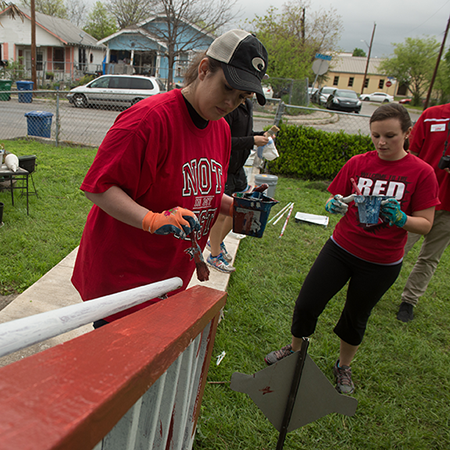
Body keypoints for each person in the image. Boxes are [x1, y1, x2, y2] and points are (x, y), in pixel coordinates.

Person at [71, 29, 268, 327]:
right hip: (123, 280)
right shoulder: (148, 120)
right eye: (228, 88)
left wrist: (239, 206)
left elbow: (201, 193)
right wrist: (152, 220)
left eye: (242, 97)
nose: (231, 103)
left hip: (169, 277)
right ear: (204, 70)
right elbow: (98, 188)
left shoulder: (221, 130)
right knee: (124, 369)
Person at [264, 103, 440, 394]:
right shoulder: (359, 163)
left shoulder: (421, 173)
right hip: (342, 248)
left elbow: (426, 224)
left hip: (382, 261)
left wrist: (401, 218)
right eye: (375, 136)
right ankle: (294, 351)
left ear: (407, 133)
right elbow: (337, 196)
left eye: (390, 136)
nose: (382, 142)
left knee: (355, 316)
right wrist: (331, 204)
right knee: (308, 302)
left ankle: (343, 366)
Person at [397, 103, 450, 322]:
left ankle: (409, 300)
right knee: (397, 246)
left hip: (448, 207)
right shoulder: (432, 116)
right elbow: (411, 155)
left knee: (430, 258)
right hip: (420, 201)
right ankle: (372, 286)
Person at [206, 97, 269, 273]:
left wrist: (258, 135)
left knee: (238, 210)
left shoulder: (247, 104)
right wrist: (252, 141)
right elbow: (225, 140)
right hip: (223, 168)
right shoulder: (229, 106)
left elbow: (244, 134)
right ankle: (214, 257)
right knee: (220, 215)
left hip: (237, 169)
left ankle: (215, 243)